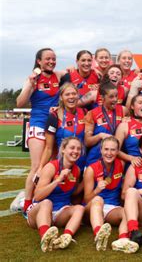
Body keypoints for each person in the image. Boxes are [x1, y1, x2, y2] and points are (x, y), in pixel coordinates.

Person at [16, 48, 66, 215]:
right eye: (47, 59)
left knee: (52, 165)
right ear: (39, 61)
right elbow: (20, 102)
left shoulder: (58, 76)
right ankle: (28, 204)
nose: (51, 61)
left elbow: (73, 71)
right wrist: (30, 84)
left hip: (54, 126)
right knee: (37, 165)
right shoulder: (33, 79)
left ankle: (43, 198)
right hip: (38, 125)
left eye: (53, 58)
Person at [27, 137, 85, 252]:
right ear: (63, 149)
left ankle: (66, 237)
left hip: (59, 212)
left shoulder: (77, 170)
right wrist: (57, 180)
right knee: (47, 203)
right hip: (40, 211)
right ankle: (46, 237)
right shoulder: (51, 167)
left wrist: (86, 181)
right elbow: (37, 196)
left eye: (78, 149)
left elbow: (72, 192)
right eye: (72, 148)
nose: (75, 151)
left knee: (79, 209)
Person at [83, 137, 139, 253]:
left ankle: (123, 239)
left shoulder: (121, 164)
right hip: (93, 208)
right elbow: (86, 199)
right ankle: (99, 235)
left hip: (111, 209)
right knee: (98, 199)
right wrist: (97, 190)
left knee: (127, 211)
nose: (109, 153)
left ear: (118, 151)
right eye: (106, 149)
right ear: (101, 150)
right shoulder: (91, 169)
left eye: (113, 150)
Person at [40, 83, 87, 171]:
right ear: (61, 97)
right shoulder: (55, 116)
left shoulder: (85, 113)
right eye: (67, 94)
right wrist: (40, 168)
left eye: (74, 94)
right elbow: (49, 148)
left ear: (78, 96)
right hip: (62, 165)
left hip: (81, 164)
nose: (71, 97)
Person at [84, 82, 128, 166]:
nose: (115, 99)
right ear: (102, 98)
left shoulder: (123, 110)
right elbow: (87, 141)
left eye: (116, 96)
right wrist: (100, 136)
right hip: (96, 158)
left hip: (116, 158)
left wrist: (127, 121)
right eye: (111, 97)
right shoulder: (92, 114)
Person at [115, 94, 142, 167]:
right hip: (134, 168)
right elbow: (115, 149)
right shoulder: (124, 125)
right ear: (132, 106)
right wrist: (131, 158)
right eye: (140, 103)